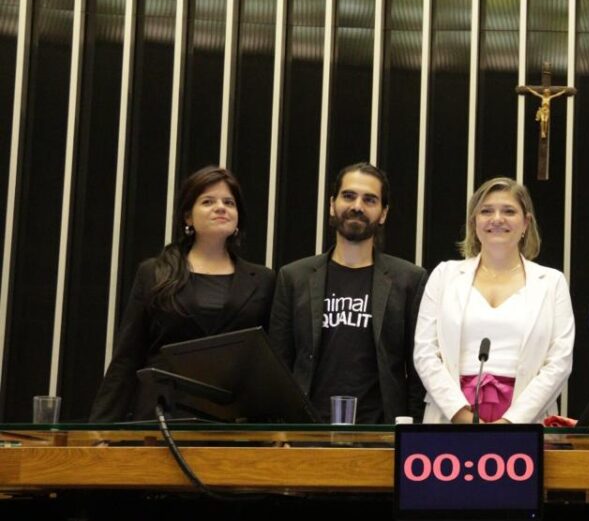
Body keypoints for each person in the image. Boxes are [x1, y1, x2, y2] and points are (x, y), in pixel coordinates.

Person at [90, 167, 274, 421]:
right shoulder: (154, 272)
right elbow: (128, 355)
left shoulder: (263, 279)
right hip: (163, 415)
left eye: (229, 202)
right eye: (208, 201)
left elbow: (268, 365)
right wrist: (101, 428)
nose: (220, 208)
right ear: (188, 217)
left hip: (232, 419)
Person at [269, 162, 427, 423]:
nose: (357, 206)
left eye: (370, 200)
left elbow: (419, 369)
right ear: (332, 204)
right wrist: (279, 431)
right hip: (305, 433)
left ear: (383, 213)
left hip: (382, 435)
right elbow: (277, 366)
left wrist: (410, 434)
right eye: (348, 196)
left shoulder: (409, 280)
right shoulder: (293, 277)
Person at [414, 177, 574, 424]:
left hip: (527, 420)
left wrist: (511, 422)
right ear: (474, 223)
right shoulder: (445, 275)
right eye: (486, 211)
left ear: (526, 223)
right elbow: (425, 352)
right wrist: (459, 414)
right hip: (452, 417)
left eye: (509, 211)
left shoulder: (552, 282)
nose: (497, 219)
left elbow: (560, 361)